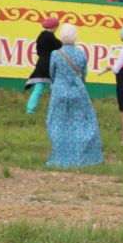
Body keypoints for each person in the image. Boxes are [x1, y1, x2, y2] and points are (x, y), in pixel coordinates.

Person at [45, 22, 103, 168]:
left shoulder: (55, 54)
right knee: (82, 123)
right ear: (75, 36)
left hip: (59, 91)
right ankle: (82, 156)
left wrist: (59, 84)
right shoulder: (81, 53)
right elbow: (83, 74)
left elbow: (52, 73)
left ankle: (60, 156)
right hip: (78, 92)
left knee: (58, 123)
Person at [25, 15, 61, 112]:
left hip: (41, 63)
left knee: (38, 89)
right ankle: (57, 110)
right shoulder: (50, 36)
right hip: (49, 64)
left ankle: (30, 110)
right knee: (55, 89)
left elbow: (39, 51)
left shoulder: (41, 36)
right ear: (54, 27)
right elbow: (59, 45)